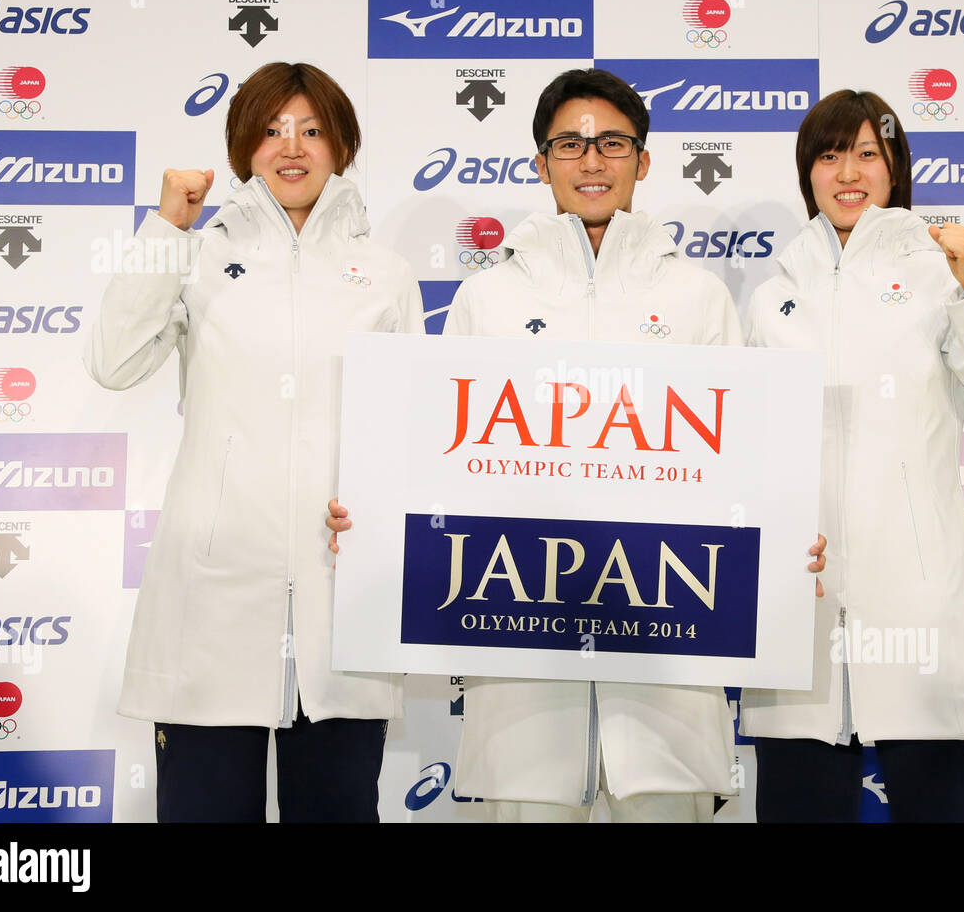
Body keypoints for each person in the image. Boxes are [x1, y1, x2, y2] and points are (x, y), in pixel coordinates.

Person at [328, 67, 825, 822]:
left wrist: (785, 542)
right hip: (521, 716)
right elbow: (428, 468)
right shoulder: (486, 299)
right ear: (541, 163)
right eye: (570, 144)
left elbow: (745, 475)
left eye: (612, 143)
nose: (592, 160)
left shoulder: (696, 298)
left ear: (643, 160)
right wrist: (370, 521)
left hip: (667, 706)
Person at [85, 62, 424, 822]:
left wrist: (380, 508)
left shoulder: (386, 274)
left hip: (344, 603)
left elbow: (414, 429)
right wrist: (167, 226)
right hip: (212, 600)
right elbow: (113, 361)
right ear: (243, 148)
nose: (291, 146)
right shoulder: (197, 255)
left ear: (342, 144)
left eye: (310, 129)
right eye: (271, 130)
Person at [738, 89, 964, 822]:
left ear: (896, 167)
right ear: (807, 172)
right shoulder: (771, 298)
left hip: (923, 615)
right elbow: (744, 455)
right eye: (829, 153)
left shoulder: (942, 277)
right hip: (800, 617)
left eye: (868, 153)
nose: (849, 171)